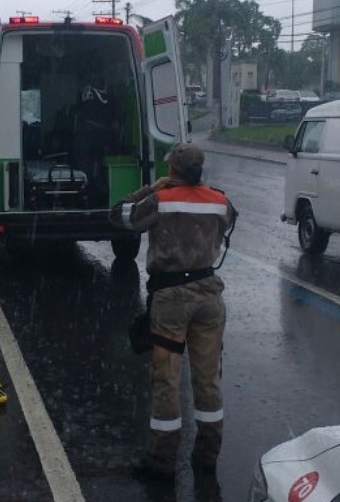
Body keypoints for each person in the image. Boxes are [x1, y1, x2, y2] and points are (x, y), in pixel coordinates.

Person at [109, 143, 233, 483]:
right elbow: (227, 222)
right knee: (208, 380)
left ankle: (161, 462)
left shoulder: (160, 201)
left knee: (167, 379)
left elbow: (117, 214)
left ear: (173, 171)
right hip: (210, 296)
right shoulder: (220, 200)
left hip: (171, 298)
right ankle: (207, 457)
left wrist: (151, 188)